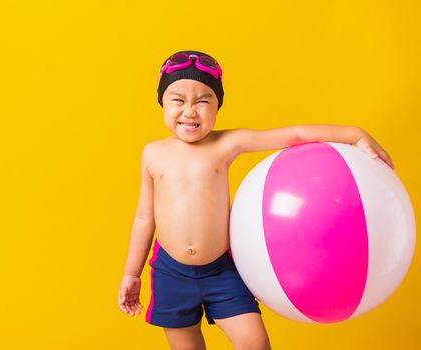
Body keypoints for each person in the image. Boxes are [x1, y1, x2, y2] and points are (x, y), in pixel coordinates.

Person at [117, 50, 394, 350]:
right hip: (172, 272)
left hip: (221, 270)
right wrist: (132, 273)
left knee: (255, 343)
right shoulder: (153, 154)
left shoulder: (227, 144)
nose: (190, 111)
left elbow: (295, 134)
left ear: (217, 107)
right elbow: (145, 218)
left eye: (203, 101)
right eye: (178, 100)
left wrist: (355, 135)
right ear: (162, 102)